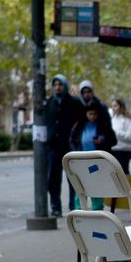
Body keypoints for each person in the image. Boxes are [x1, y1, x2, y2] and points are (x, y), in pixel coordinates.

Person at [42, 74, 84, 216]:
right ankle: (56, 207)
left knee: (72, 178)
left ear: (64, 86)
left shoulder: (75, 103)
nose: (57, 87)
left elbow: (83, 121)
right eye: (55, 85)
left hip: (70, 147)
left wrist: (76, 137)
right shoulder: (49, 103)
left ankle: (74, 207)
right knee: (53, 179)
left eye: (60, 85)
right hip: (53, 147)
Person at [109, 98, 131, 172]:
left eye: (115, 106)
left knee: (123, 173)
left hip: (123, 151)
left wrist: (116, 133)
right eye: (112, 106)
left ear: (121, 106)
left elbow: (130, 136)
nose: (113, 108)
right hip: (113, 150)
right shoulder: (112, 120)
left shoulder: (128, 120)